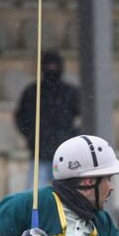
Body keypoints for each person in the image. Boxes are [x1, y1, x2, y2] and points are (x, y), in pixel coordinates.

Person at [15, 51, 80, 187]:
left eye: (55, 66)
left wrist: (71, 136)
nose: (52, 70)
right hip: (40, 154)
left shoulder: (70, 92)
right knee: (35, 197)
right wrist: (31, 136)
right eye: (49, 66)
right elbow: (21, 118)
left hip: (64, 155)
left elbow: (84, 117)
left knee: (67, 198)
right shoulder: (32, 92)